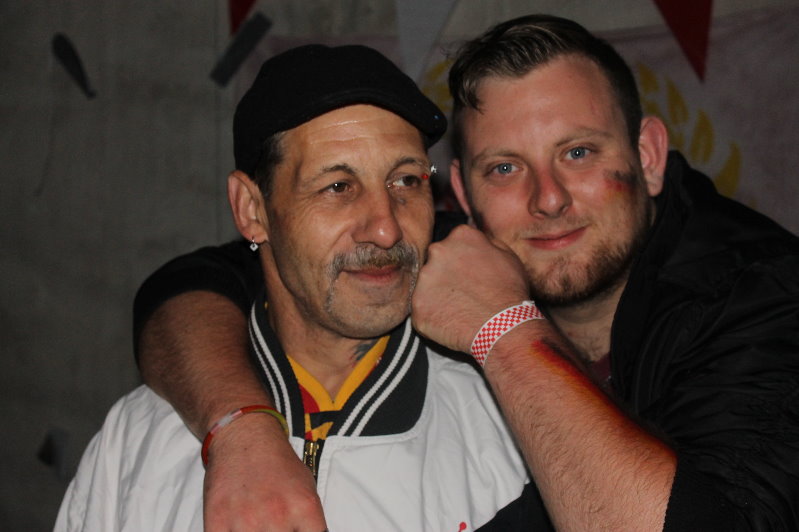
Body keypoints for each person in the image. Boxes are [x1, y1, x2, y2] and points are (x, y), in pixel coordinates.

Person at [132, 14, 799, 532]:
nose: (547, 198)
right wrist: (240, 427)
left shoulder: (761, 296)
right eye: (503, 168)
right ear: (462, 193)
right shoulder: (433, 239)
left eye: (577, 152)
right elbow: (205, 279)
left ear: (648, 156)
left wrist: (503, 329)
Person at [55, 44, 542, 531]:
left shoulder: (513, 424)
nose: (386, 228)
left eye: (406, 181)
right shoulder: (138, 442)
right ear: (252, 209)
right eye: (338, 186)